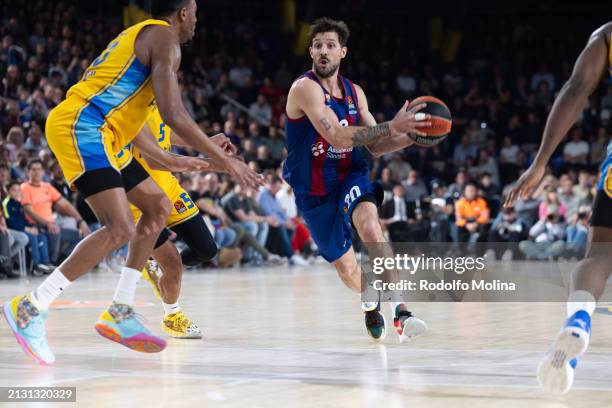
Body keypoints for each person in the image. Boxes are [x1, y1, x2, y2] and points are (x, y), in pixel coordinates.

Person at [3, 0, 261, 365]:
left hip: (108, 135)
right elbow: (174, 115)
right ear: (184, 12)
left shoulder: (139, 47)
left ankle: (120, 310)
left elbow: (164, 129)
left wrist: (209, 145)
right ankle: (31, 306)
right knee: (119, 227)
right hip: (83, 125)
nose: (196, 23)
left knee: (158, 207)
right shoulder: (165, 38)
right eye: (196, 14)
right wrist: (224, 163)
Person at [283, 17, 428, 342]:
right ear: (310, 51)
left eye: (331, 45)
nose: (324, 51)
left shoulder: (355, 93)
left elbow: (375, 145)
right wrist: (393, 125)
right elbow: (336, 136)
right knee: (349, 270)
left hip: (350, 174)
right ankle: (370, 302)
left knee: (371, 226)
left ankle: (400, 313)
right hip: (314, 190)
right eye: (318, 45)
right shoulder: (304, 88)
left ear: (343, 52)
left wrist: (415, 137)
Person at [505, 21, 612, 394]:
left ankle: (580, 321)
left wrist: (540, 161)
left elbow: (576, 90)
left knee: (599, 253)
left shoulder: (607, 34)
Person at [3, 181, 54, 275]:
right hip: (13, 230)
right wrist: (26, 229)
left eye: (18, 190)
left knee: (41, 235)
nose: (17, 192)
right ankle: (36, 265)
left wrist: (32, 227)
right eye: (14, 190)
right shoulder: (6, 203)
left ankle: (46, 263)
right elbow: (10, 221)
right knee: (32, 237)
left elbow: (24, 220)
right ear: (8, 191)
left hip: (22, 228)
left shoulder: (18, 203)